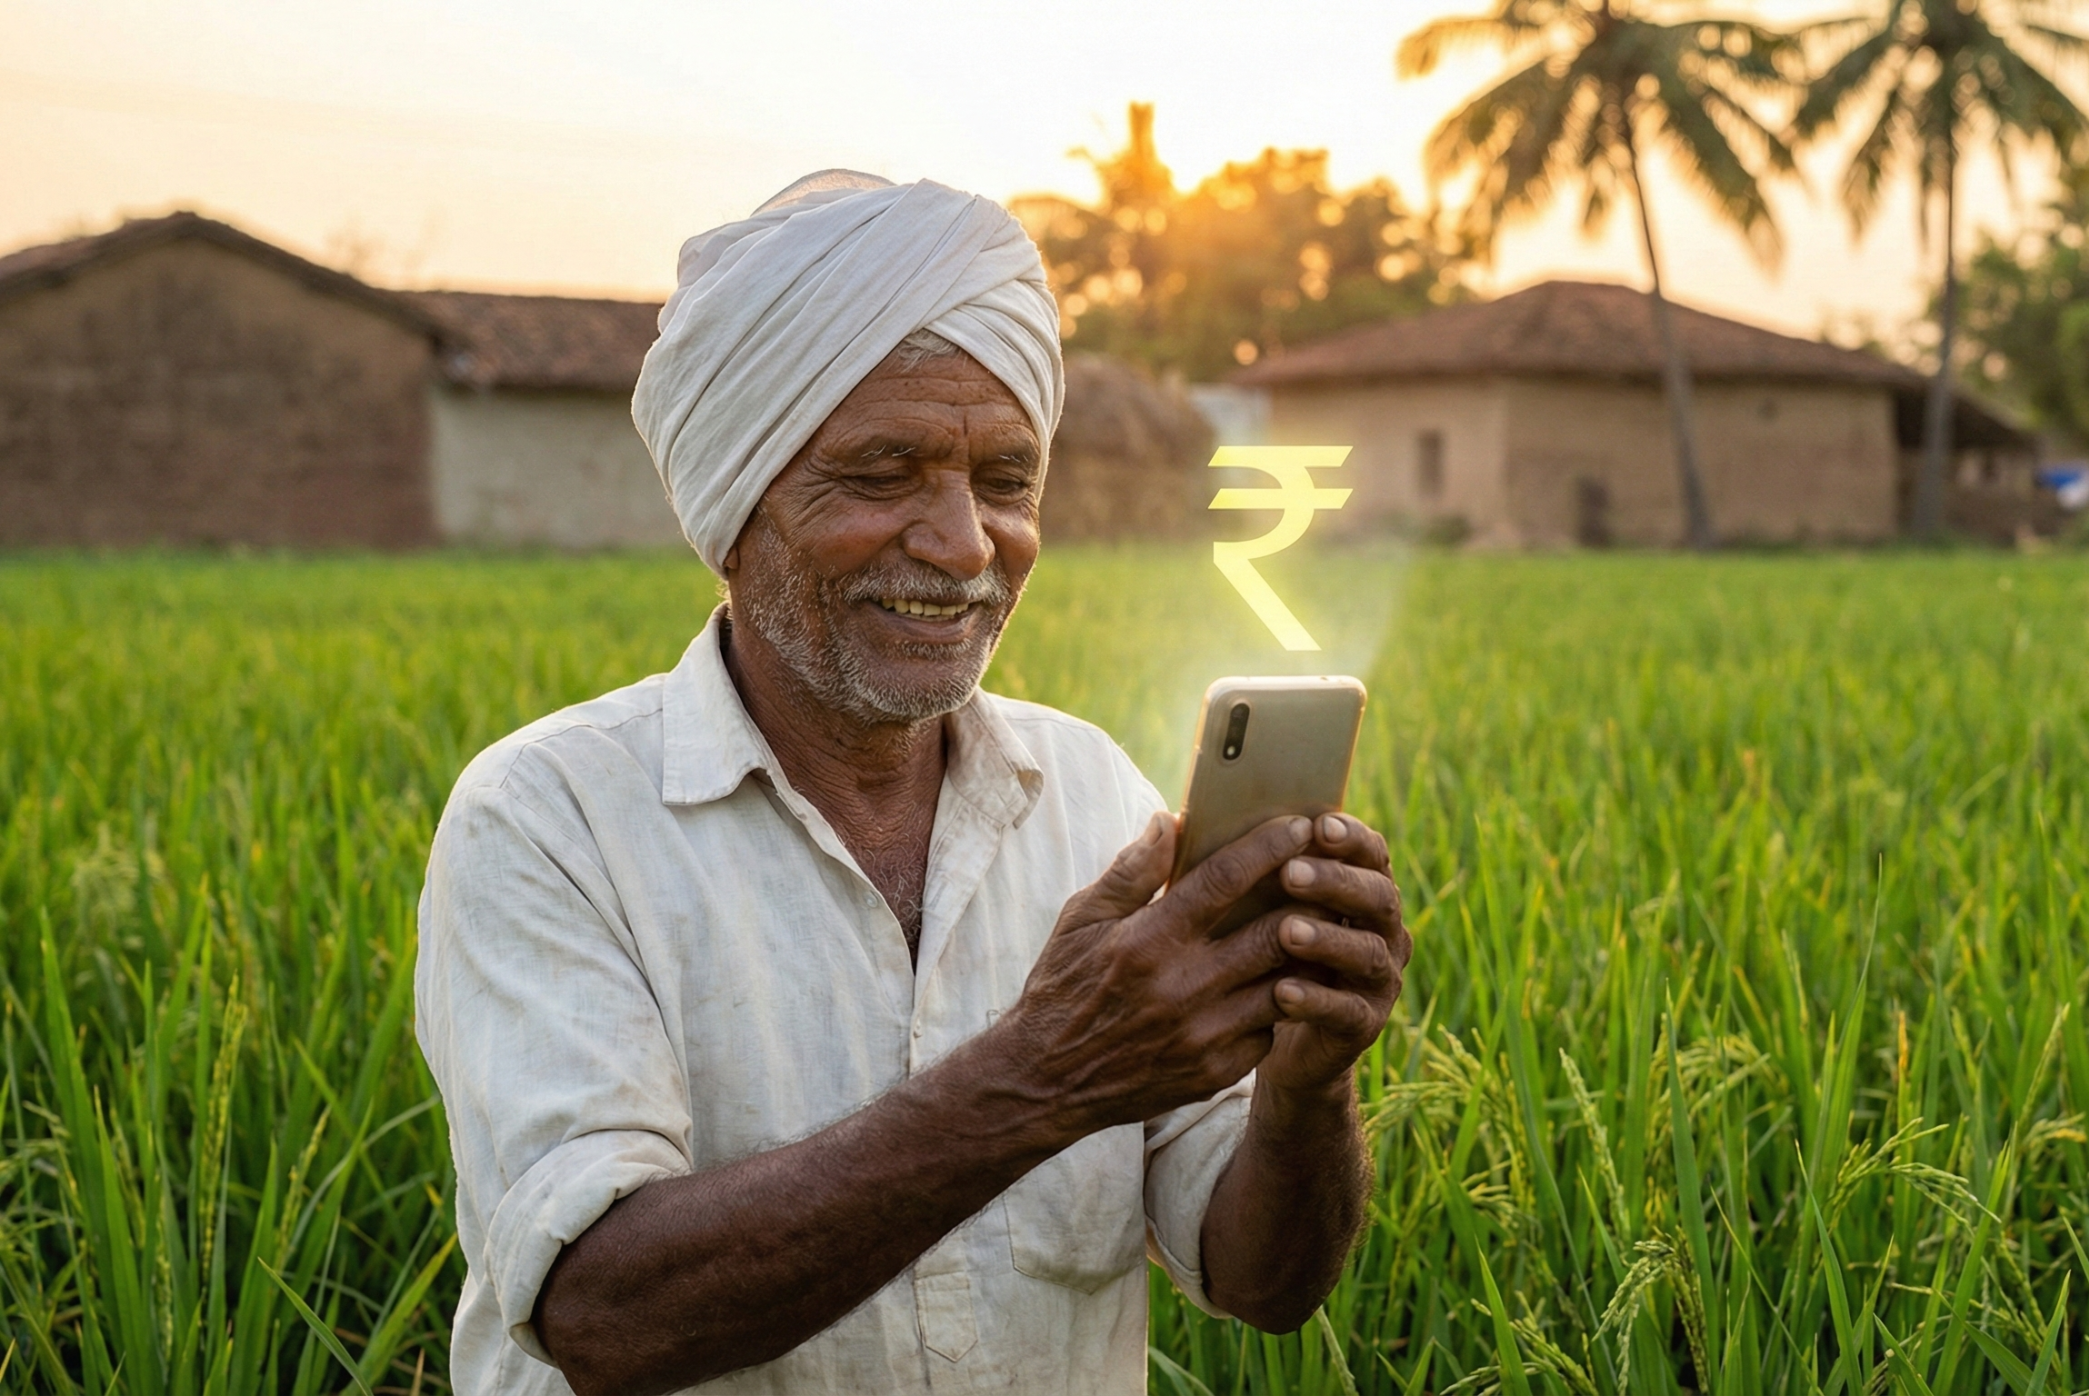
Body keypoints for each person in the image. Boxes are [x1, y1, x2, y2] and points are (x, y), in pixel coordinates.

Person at [413, 171, 1410, 1396]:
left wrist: (1306, 1084)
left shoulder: (1095, 799)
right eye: (883, 474)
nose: (963, 543)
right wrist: (1045, 1075)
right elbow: (605, 1312)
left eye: (1005, 482)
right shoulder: (548, 819)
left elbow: (1264, 1281)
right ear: (736, 504)